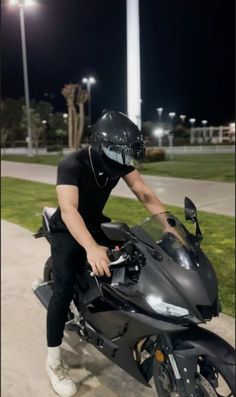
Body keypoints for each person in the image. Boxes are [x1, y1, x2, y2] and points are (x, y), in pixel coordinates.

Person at [46, 110, 168, 397]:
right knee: (62, 288)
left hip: (95, 221)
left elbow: (143, 191)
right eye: (120, 153)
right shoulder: (71, 164)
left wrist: (169, 224)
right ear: (100, 146)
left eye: (129, 154)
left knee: (134, 255)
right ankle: (53, 361)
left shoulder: (118, 161)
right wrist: (90, 247)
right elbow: (68, 210)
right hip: (68, 227)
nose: (126, 161)